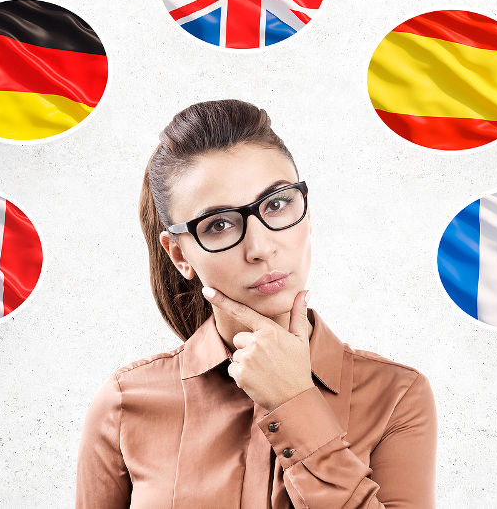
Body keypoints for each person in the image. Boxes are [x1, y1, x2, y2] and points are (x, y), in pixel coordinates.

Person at [74, 99, 437, 509]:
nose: (261, 248)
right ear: (180, 256)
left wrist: (295, 403)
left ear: (308, 211)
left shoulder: (396, 395)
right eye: (219, 224)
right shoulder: (126, 402)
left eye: (277, 204)